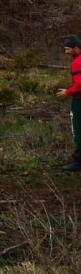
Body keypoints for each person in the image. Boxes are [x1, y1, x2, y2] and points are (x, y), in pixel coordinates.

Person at [54, 34, 81, 172]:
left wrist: (68, 92)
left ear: (76, 48)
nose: (66, 52)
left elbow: (80, 83)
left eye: (68, 49)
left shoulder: (77, 62)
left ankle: (79, 160)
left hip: (79, 100)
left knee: (78, 129)